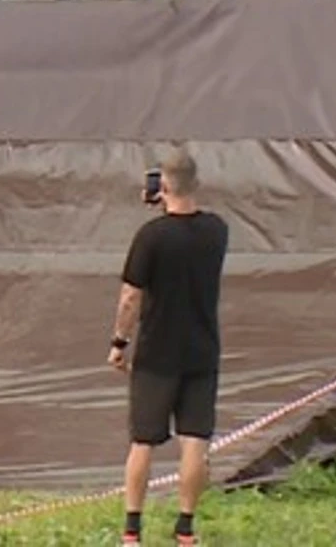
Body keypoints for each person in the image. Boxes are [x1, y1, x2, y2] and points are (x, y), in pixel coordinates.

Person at [108, 149, 229, 547]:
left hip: (157, 354)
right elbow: (190, 226)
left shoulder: (151, 237)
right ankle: (185, 528)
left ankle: (132, 528)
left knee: (143, 441)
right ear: (196, 183)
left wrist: (119, 343)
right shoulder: (217, 231)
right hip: (202, 352)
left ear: (163, 188)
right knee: (195, 440)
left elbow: (130, 298)